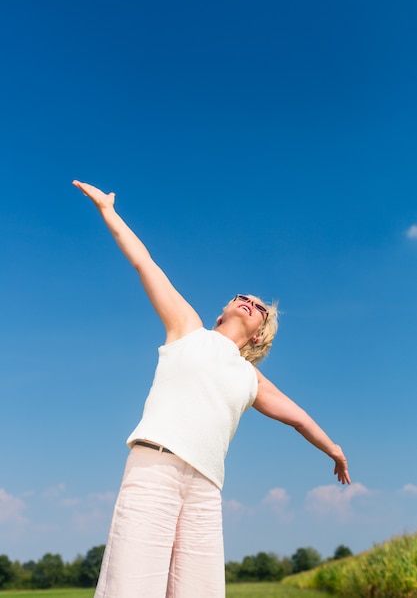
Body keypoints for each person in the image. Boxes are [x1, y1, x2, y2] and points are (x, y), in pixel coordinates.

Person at [72, 180, 350, 598]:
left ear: (260, 336)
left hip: (205, 488)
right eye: (243, 297)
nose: (248, 303)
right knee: (130, 586)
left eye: (259, 308)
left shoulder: (250, 378)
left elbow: (299, 418)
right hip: (156, 470)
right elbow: (145, 264)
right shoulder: (186, 328)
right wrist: (108, 210)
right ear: (223, 311)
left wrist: (334, 449)